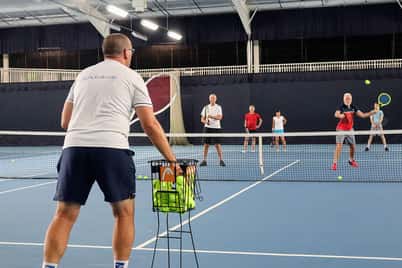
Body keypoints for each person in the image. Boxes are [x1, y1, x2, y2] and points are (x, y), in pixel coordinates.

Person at [42, 34, 178, 268]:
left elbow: (65, 121)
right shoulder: (132, 77)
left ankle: (49, 266)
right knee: (124, 213)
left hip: (74, 149)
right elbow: (150, 125)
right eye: (132, 52)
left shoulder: (83, 75)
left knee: (63, 215)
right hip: (112, 149)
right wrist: (172, 160)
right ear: (126, 52)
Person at [331, 93, 375, 171]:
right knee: (339, 146)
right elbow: (336, 114)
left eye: (349, 98)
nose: (348, 100)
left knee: (353, 146)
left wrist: (372, 112)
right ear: (343, 99)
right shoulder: (341, 107)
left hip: (350, 129)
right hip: (341, 129)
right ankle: (334, 163)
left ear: (351, 99)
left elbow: (363, 115)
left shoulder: (353, 107)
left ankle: (351, 160)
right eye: (346, 98)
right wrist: (340, 116)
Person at [199, 94, 225, 167]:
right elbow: (202, 119)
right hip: (207, 128)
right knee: (206, 145)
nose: (212, 99)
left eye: (214, 98)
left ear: (215, 99)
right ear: (209, 99)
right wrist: (205, 122)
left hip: (216, 128)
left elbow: (220, 117)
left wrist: (211, 116)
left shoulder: (218, 107)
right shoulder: (206, 107)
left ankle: (221, 160)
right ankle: (204, 160)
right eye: (211, 98)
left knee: (217, 145)